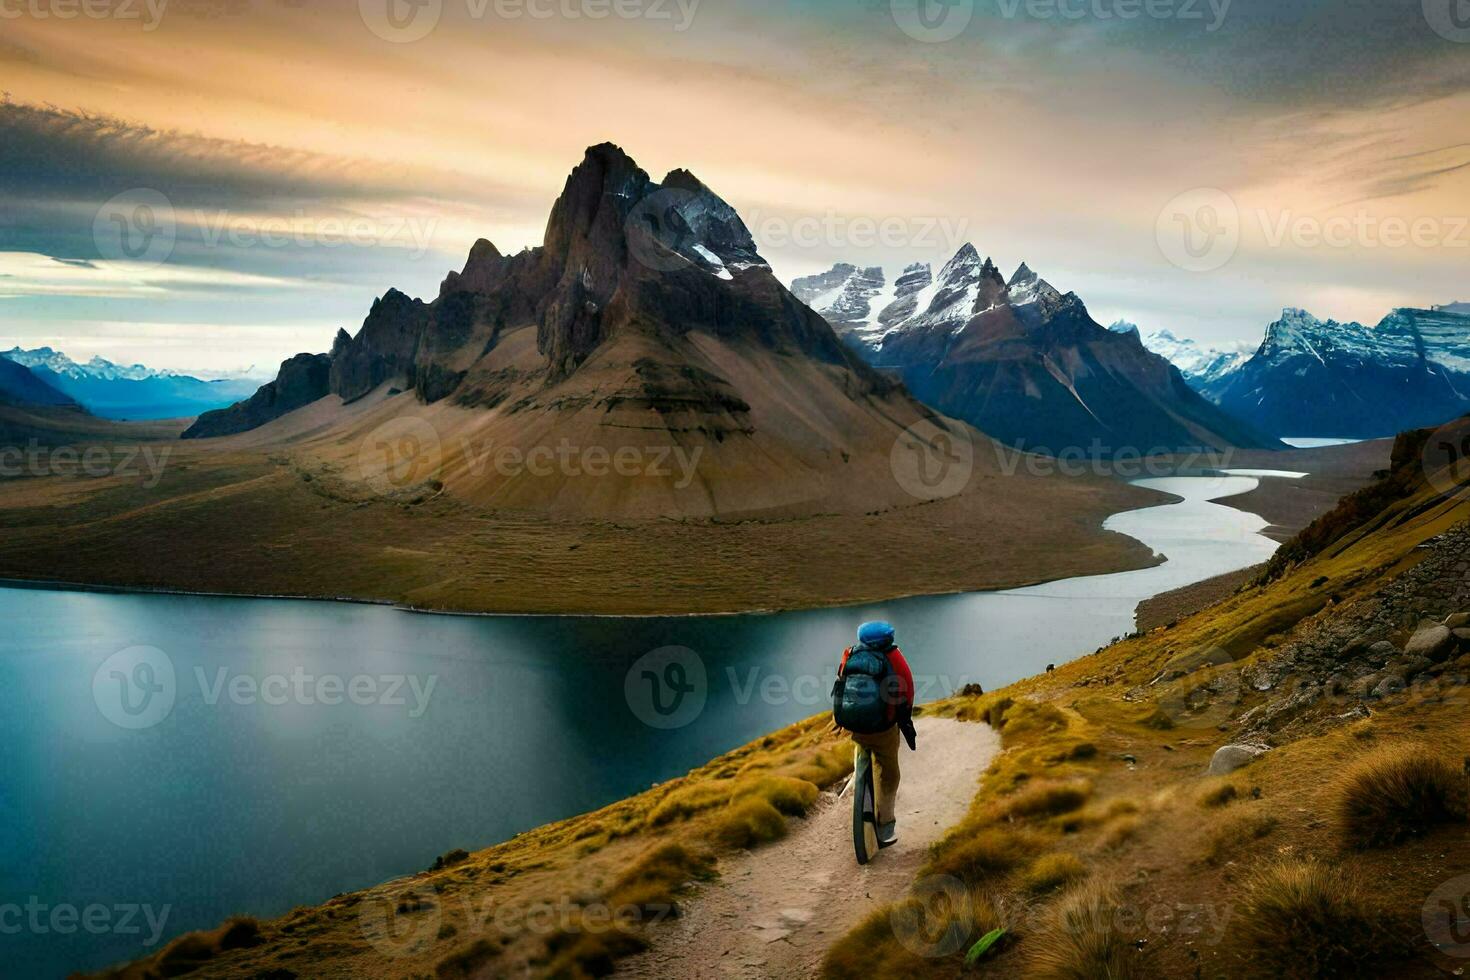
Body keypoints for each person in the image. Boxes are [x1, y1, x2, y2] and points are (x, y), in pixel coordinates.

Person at [832, 620, 916, 847]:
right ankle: (886, 824)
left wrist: (838, 719)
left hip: (854, 726)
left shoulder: (850, 653)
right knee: (890, 773)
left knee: (861, 744)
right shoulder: (893, 657)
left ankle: (859, 769)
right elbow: (906, 690)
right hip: (883, 729)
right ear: (888, 639)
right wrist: (905, 721)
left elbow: (840, 685)